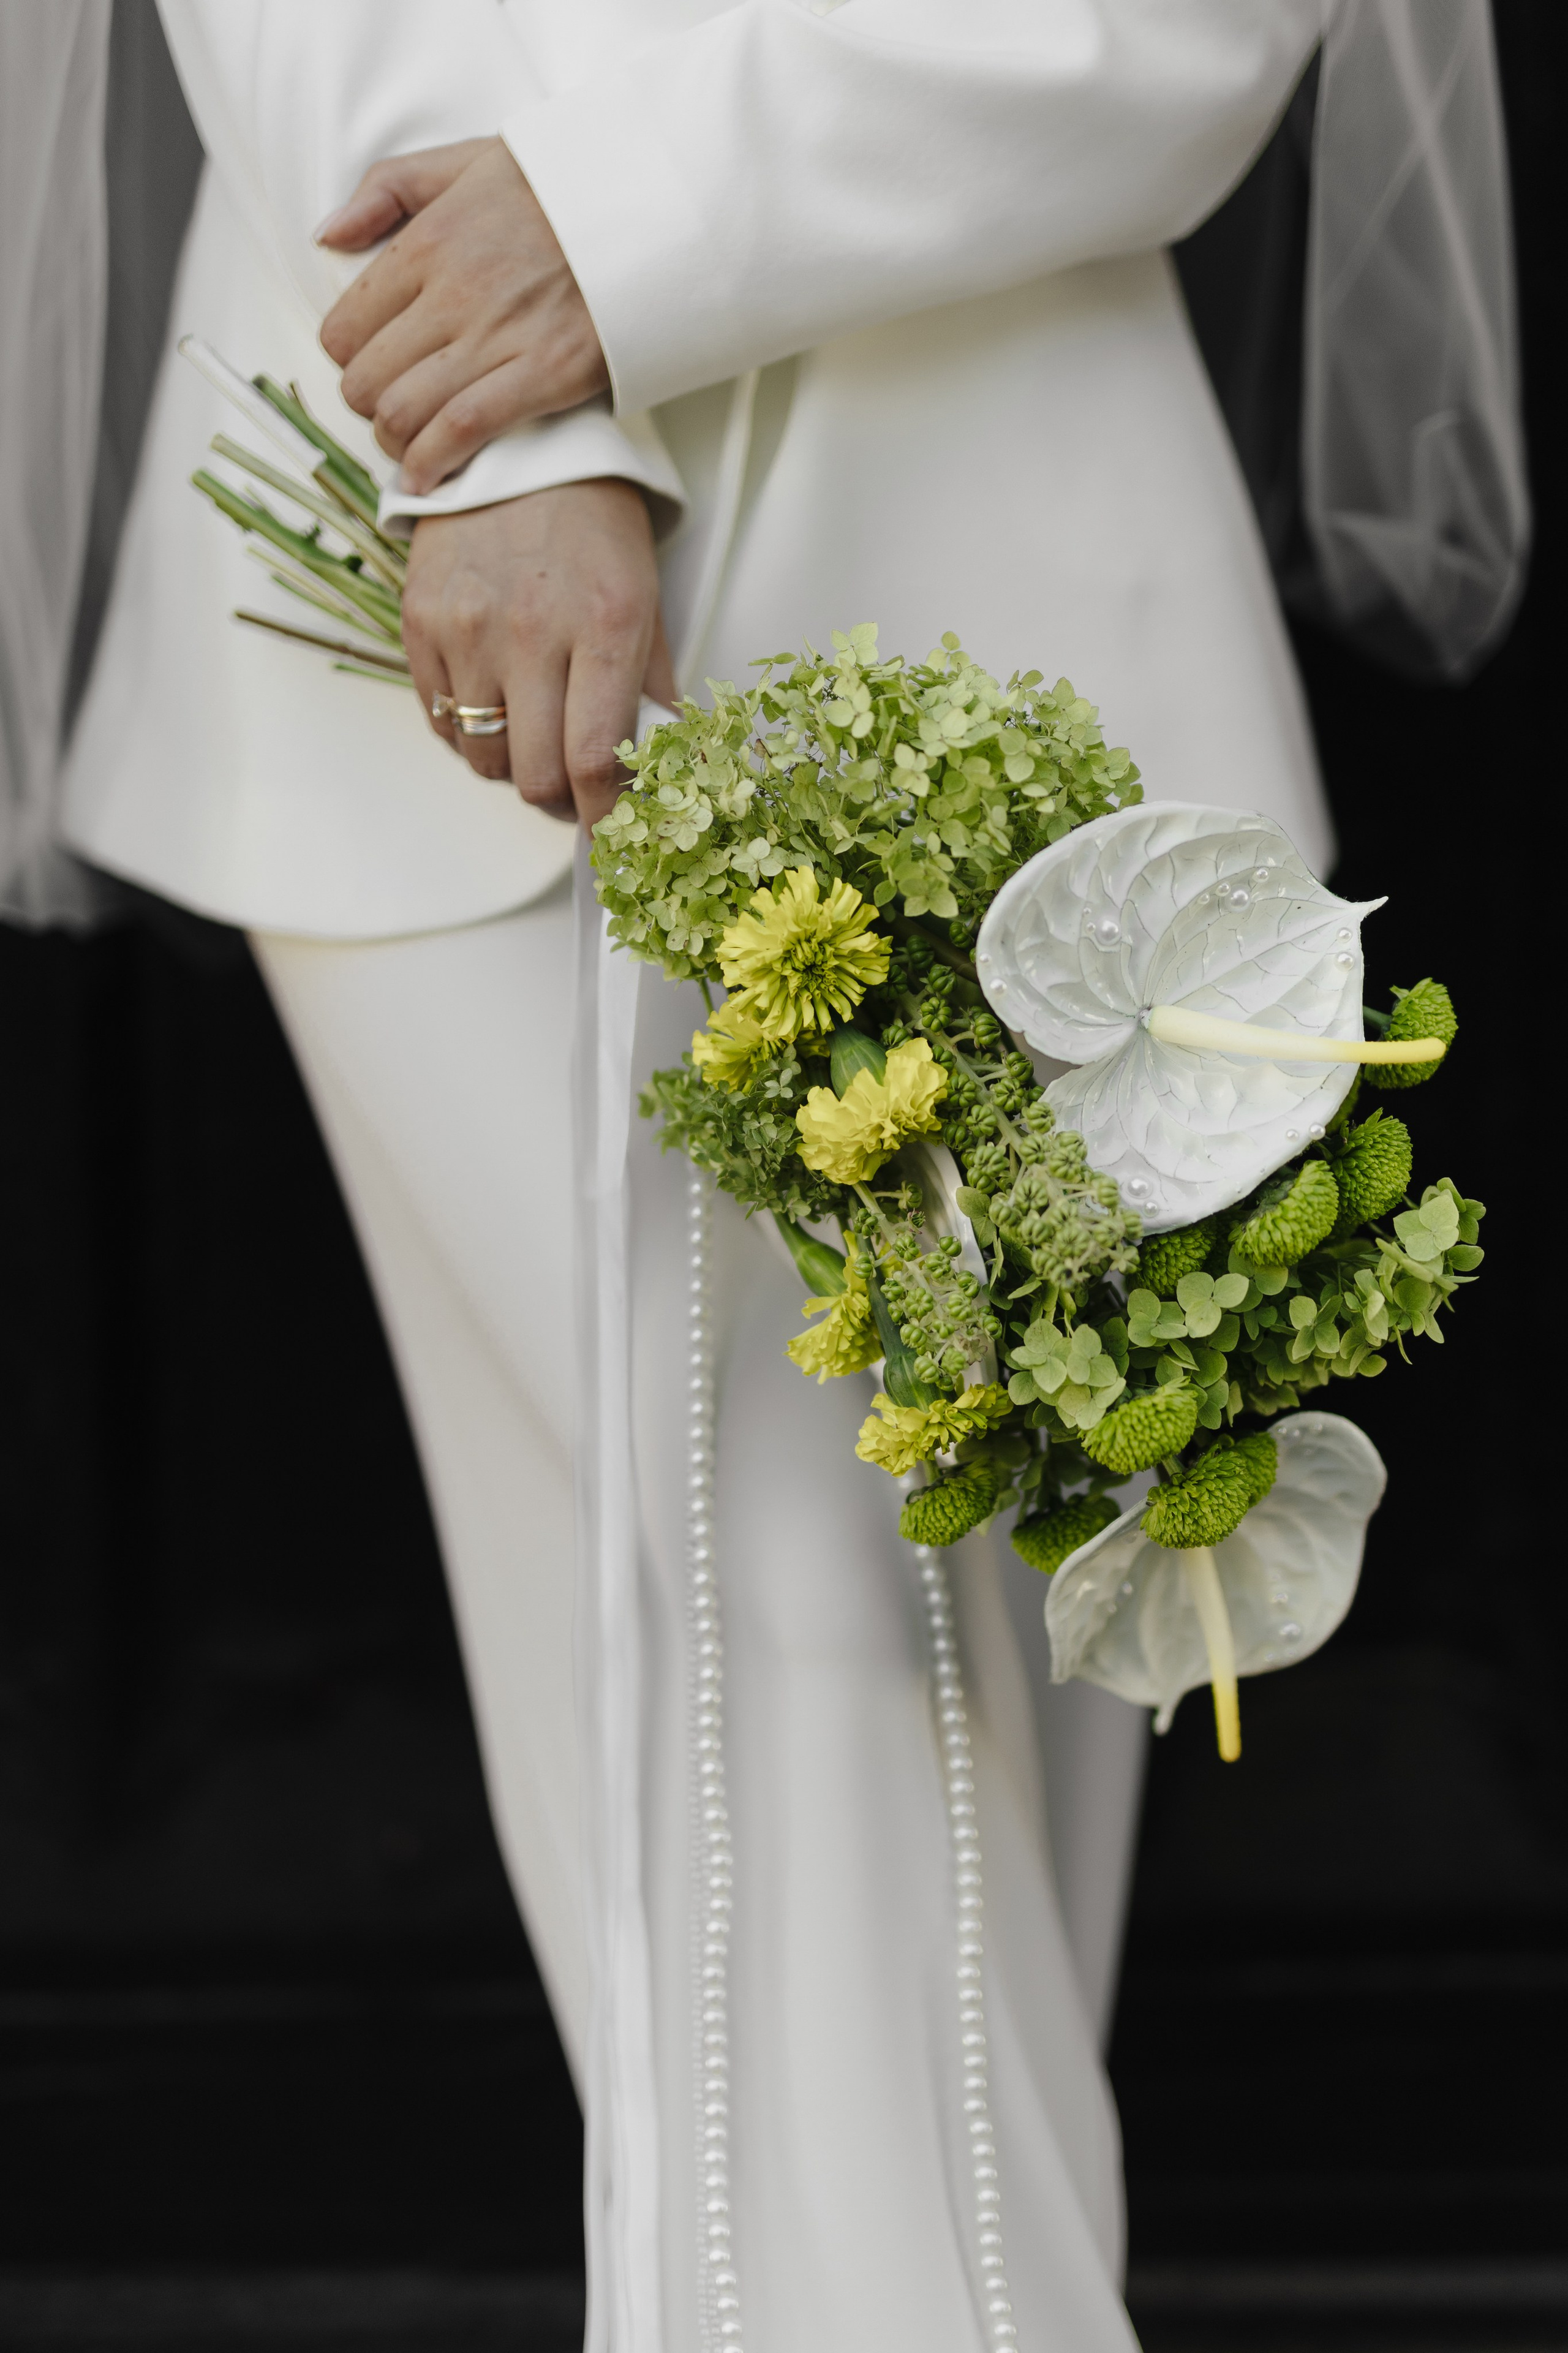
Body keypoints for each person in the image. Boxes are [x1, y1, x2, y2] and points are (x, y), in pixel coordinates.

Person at [57, 5, 1341, 2344]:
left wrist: (613, 250)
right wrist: (511, 409)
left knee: (951, 1802)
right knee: (796, 1715)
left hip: (1024, 581)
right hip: (439, 568)